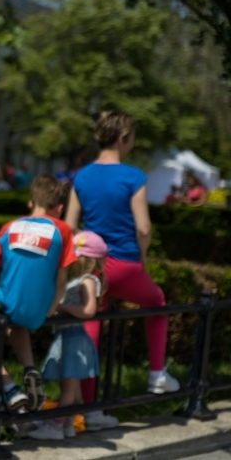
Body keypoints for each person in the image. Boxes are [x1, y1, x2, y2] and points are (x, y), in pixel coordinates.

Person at [66, 111, 180, 409]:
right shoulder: (133, 176)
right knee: (157, 302)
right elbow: (144, 228)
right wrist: (142, 258)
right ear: (122, 138)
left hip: (92, 266)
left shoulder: (81, 176)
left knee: (91, 323)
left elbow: (69, 226)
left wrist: (87, 252)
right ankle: (156, 374)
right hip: (125, 264)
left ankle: (89, 409)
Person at [0, 174, 77, 411]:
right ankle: (29, 368)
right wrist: (50, 309)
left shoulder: (8, 227)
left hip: (4, 304)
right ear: (59, 208)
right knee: (19, 324)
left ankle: (9, 387)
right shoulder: (63, 230)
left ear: (30, 202)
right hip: (37, 312)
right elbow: (62, 280)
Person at [28, 231, 108, 440]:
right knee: (70, 387)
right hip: (67, 337)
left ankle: (55, 427)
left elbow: (89, 310)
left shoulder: (87, 280)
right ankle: (68, 425)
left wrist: (61, 307)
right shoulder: (77, 280)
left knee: (69, 389)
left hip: (74, 338)